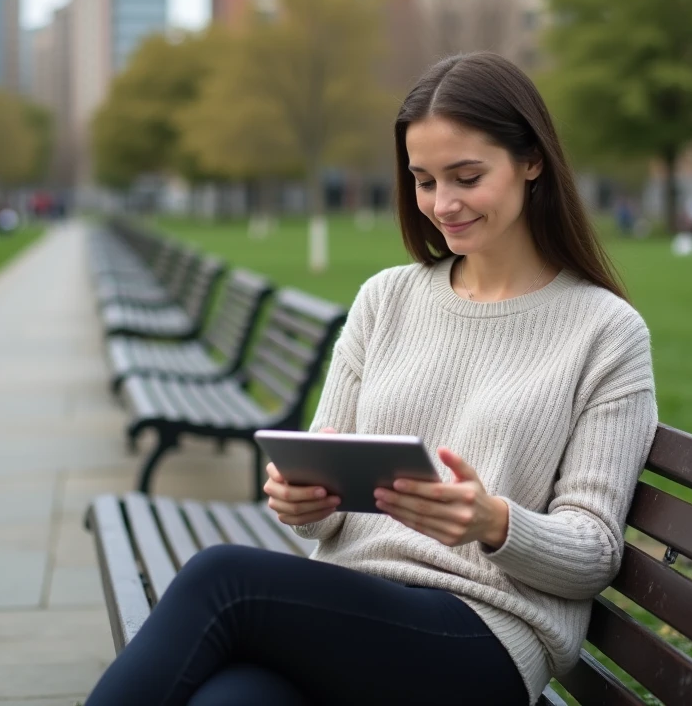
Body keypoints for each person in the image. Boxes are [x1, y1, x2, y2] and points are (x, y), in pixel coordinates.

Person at [84, 52, 658, 706]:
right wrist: (302, 503)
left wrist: (493, 521)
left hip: (480, 638)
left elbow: (593, 554)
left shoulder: (604, 331)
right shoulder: (386, 299)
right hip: (351, 616)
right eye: (423, 180)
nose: (443, 205)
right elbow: (318, 507)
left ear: (532, 162)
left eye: (467, 176)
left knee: (223, 578)